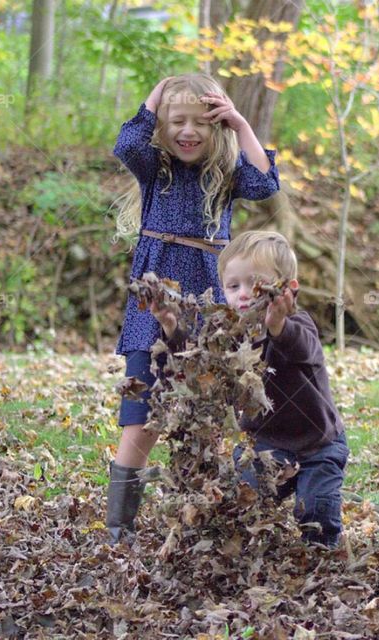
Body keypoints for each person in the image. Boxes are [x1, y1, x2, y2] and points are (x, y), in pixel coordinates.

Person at [106, 74, 280, 544]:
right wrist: (158, 91)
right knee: (142, 415)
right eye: (176, 121)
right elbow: (126, 142)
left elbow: (264, 182)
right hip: (154, 307)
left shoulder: (223, 176)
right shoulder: (155, 169)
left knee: (206, 411)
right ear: (162, 125)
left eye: (200, 122)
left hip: (208, 306)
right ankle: (119, 529)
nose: (188, 131)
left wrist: (241, 124)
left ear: (215, 126)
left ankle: (203, 512)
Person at [152, 231, 349, 547]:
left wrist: (277, 327)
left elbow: (304, 350)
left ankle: (322, 549)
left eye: (255, 285)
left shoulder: (299, 324)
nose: (243, 294)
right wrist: (173, 328)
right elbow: (198, 367)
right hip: (264, 444)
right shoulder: (227, 334)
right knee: (242, 503)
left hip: (317, 444)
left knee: (313, 509)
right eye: (233, 286)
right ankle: (254, 543)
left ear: (287, 289)